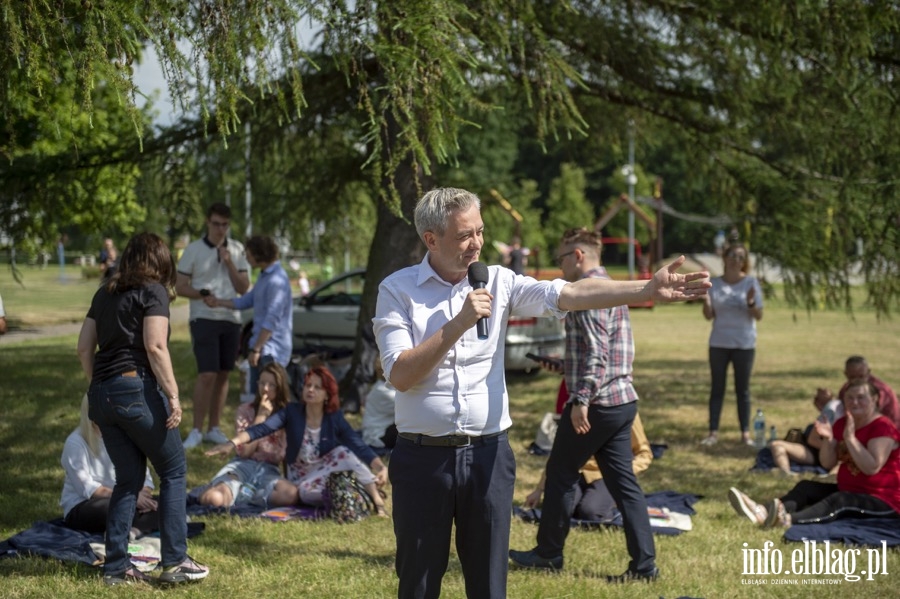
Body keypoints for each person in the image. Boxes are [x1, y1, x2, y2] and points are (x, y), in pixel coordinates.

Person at [373, 188, 709, 599]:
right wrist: (458, 323)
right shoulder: (397, 289)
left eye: (480, 231)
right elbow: (400, 375)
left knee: (490, 585)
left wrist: (644, 291)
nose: (477, 243)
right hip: (423, 460)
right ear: (431, 239)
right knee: (419, 583)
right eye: (465, 235)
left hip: (488, 457)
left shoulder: (499, 280)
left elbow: (568, 294)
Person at [509, 228, 658, 582]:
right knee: (625, 488)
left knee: (560, 474)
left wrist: (581, 398)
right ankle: (644, 566)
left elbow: (598, 353)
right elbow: (602, 351)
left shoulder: (588, 293)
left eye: (561, 258)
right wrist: (562, 366)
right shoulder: (609, 287)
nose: (559, 266)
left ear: (578, 256)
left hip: (597, 405)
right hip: (621, 402)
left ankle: (548, 554)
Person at [76, 232, 208, 586]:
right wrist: (174, 395)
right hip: (136, 387)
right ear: (161, 261)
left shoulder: (104, 292)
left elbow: (84, 348)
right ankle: (175, 561)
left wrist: (96, 389)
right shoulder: (154, 291)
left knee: (129, 480)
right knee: (174, 470)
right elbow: (155, 345)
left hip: (101, 395)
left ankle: (116, 567)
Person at [206, 365, 389, 515]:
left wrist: (381, 467)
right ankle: (352, 493)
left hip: (323, 468)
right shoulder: (292, 412)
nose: (310, 390)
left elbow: (357, 444)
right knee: (311, 494)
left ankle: (377, 501)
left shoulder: (334, 418)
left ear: (327, 394)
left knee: (344, 453)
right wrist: (232, 443)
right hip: (300, 476)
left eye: (317, 387)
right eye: (308, 385)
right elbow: (261, 429)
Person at [730, 378, 900, 528]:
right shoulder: (843, 423)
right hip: (849, 489)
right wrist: (827, 440)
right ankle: (762, 512)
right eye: (850, 398)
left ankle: (786, 521)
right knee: (806, 487)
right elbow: (827, 464)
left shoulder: (882, 427)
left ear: (875, 399)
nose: (854, 402)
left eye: (861, 398)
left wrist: (850, 438)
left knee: (839, 501)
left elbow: (872, 467)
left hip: (883, 499)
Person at [176, 203, 251, 449]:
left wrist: (228, 262)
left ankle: (214, 428)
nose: (221, 229)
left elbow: (243, 288)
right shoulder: (194, 250)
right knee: (206, 373)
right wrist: (200, 294)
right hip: (203, 317)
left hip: (230, 318)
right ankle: (196, 430)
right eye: (216, 224)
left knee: (223, 374)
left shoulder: (237, 249)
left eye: (225, 225)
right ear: (208, 222)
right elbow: (179, 286)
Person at [523, 412, 653, 522]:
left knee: (591, 513)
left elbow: (644, 453)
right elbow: (559, 453)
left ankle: (614, 501)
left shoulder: (624, 410)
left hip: (608, 474)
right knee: (560, 510)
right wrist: (539, 489)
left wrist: (624, 473)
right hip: (577, 472)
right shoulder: (573, 408)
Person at [61, 395, 158, 535]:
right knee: (114, 508)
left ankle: (134, 530)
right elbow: (89, 490)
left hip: (128, 499)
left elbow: (144, 476)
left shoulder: (126, 436)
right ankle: (142, 525)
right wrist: (132, 498)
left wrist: (144, 495)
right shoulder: (75, 443)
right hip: (86, 505)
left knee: (166, 502)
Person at [198, 362, 290, 508]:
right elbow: (245, 452)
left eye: (271, 385)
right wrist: (260, 417)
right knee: (214, 499)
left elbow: (287, 458)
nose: (265, 389)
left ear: (280, 388)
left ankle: (247, 496)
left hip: (269, 471)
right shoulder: (246, 410)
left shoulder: (286, 415)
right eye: (262, 383)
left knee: (288, 495)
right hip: (243, 465)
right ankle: (232, 492)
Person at [210, 234, 293, 393]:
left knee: (269, 401)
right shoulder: (264, 276)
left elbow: (271, 320)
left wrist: (256, 349)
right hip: (262, 349)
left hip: (272, 351)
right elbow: (246, 300)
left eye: (248, 254)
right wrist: (218, 302)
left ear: (259, 254)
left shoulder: (277, 281)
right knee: (257, 399)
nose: (246, 258)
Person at [700, 242, 764, 446]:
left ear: (744, 262)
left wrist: (751, 303)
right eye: (733, 256)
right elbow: (709, 316)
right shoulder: (715, 284)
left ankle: (745, 434)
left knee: (742, 390)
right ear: (725, 258)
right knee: (717, 388)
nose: (736, 260)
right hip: (719, 343)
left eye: (740, 257)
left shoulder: (751, 283)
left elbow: (759, 316)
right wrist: (706, 302)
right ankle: (713, 433)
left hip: (744, 344)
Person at [767, 390, 842, 476]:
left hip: (835, 457)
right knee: (776, 445)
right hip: (813, 452)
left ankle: (828, 478)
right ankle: (786, 473)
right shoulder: (831, 411)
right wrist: (828, 448)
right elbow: (812, 440)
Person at [821, 355, 899, 428]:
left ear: (868, 373)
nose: (857, 380)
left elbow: (865, 416)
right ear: (846, 374)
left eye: (861, 376)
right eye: (852, 377)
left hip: (887, 430)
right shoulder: (847, 388)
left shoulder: (879, 391)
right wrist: (827, 405)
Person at [361, 355, 397, 450]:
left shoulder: (386, 387)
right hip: (378, 435)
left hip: (383, 429)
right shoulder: (382, 391)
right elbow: (408, 408)